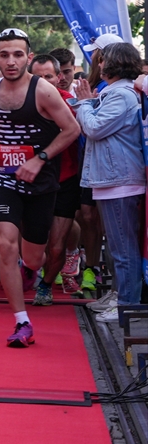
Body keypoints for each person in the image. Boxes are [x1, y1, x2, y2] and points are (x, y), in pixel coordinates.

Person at [0, 28, 79, 348]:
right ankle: (22, 322)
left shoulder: (43, 91)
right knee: (5, 244)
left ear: (28, 57)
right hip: (5, 177)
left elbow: (72, 129)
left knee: (33, 258)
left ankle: (28, 268)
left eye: (18, 54)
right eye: (5, 55)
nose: (11, 61)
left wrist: (39, 159)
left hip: (41, 182)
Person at [72, 42, 145, 322]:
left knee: (123, 249)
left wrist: (84, 102)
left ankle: (127, 304)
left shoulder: (122, 95)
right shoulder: (118, 93)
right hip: (113, 179)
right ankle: (120, 296)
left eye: (102, 60)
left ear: (114, 63)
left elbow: (93, 128)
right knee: (118, 247)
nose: (98, 64)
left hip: (119, 181)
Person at [28, 53, 82, 306]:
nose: (43, 82)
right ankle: (31, 270)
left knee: (57, 246)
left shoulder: (71, 103)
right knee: (33, 246)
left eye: (48, 76)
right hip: (32, 181)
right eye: (37, 77)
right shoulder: (17, 103)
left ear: (59, 77)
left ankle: (46, 285)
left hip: (65, 179)